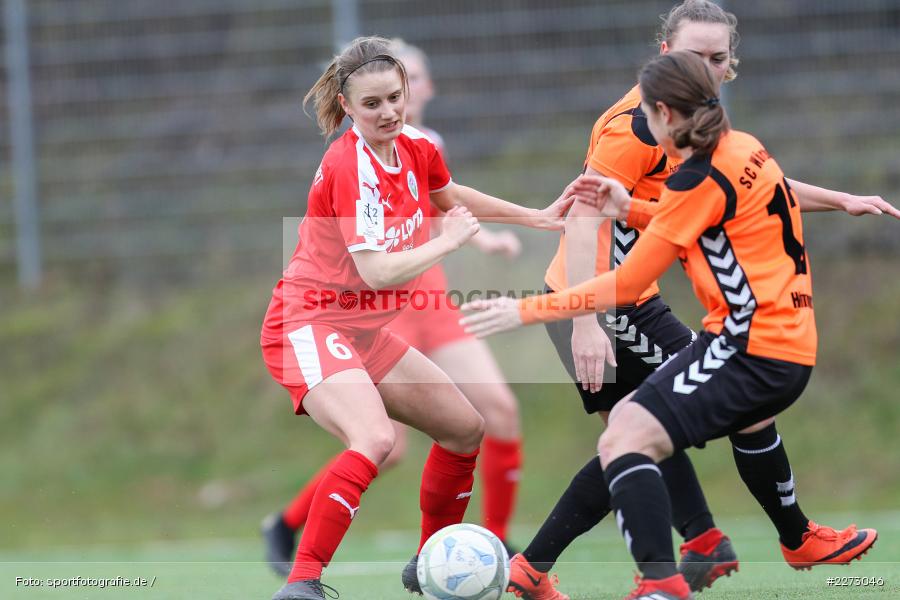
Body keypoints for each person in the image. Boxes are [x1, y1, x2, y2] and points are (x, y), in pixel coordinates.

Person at [485, 3, 896, 599]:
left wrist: (842, 197)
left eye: (718, 58)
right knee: (646, 428)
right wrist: (584, 321)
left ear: (731, 65)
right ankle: (720, 546)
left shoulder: (705, 126)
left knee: (646, 429)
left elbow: (738, 193)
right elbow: (582, 217)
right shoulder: (633, 128)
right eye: (693, 57)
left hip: (644, 297)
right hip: (602, 301)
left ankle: (705, 546)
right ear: (663, 56)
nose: (707, 68)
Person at [261, 36, 575, 600]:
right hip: (309, 323)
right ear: (348, 108)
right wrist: (450, 241)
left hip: (362, 330)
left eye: (394, 98)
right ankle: (302, 581)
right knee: (376, 438)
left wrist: (537, 216)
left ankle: (431, 564)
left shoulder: (414, 147)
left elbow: (449, 193)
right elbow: (379, 271)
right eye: (372, 104)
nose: (387, 112)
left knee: (464, 427)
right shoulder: (347, 164)